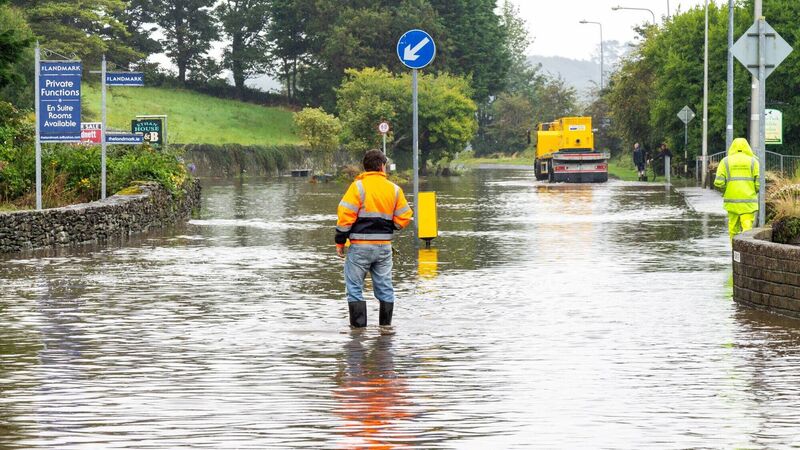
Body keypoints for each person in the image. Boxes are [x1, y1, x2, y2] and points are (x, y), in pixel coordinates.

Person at [335, 149, 413, 330]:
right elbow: (405, 216)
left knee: (354, 289)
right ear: (382, 166)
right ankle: (385, 330)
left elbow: (345, 217)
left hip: (360, 247)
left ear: (366, 167)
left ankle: (358, 334)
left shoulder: (358, 188)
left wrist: (340, 242)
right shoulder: (394, 189)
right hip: (384, 248)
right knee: (385, 288)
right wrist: (389, 228)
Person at [714, 138, 760, 241]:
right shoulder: (754, 161)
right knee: (747, 229)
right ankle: (745, 251)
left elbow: (718, 182)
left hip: (731, 201)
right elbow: (759, 183)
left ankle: (734, 251)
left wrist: (727, 190)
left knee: (733, 228)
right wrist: (753, 190)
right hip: (748, 202)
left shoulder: (725, 161)